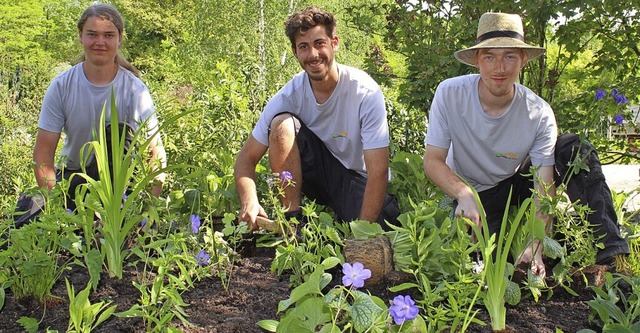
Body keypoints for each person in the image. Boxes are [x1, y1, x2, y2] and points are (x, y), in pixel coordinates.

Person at [423, 12, 629, 278]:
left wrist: (536, 241)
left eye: (510, 56)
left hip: (516, 182)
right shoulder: (450, 94)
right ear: (476, 60)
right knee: (493, 269)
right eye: (490, 57)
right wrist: (462, 193)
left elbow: (543, 188)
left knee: (575, 148)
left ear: (522, 60)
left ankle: (613, 257)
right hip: (475, 193)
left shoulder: (538, 113)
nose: (500, 68)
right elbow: (433, 161)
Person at [234, 6, 399, 232]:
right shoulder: (289, 96)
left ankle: (350, 224)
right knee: (281, 124)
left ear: (334, 43)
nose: (313, 54)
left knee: (382, 226)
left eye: (319, 43)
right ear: (295, 52)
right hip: (317, 176)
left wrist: (363, 234)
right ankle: (293, 223)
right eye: (303, 47)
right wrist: (250, 200)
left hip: (356, 180)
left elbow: (378, 170)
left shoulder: (364, 91)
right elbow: (246, 158)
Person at [32, 3, 166, 213]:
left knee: (118, 132)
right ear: (81, 37)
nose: (100, 42)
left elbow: (156, 153)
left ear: (120, 39)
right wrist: (55, 206)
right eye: (92, 34)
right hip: (72, 181)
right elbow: (43, 153)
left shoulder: (135, 91)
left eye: (108, 35)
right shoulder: (61, 86)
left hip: (121, 187)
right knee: (18, 228)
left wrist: (148, 209)